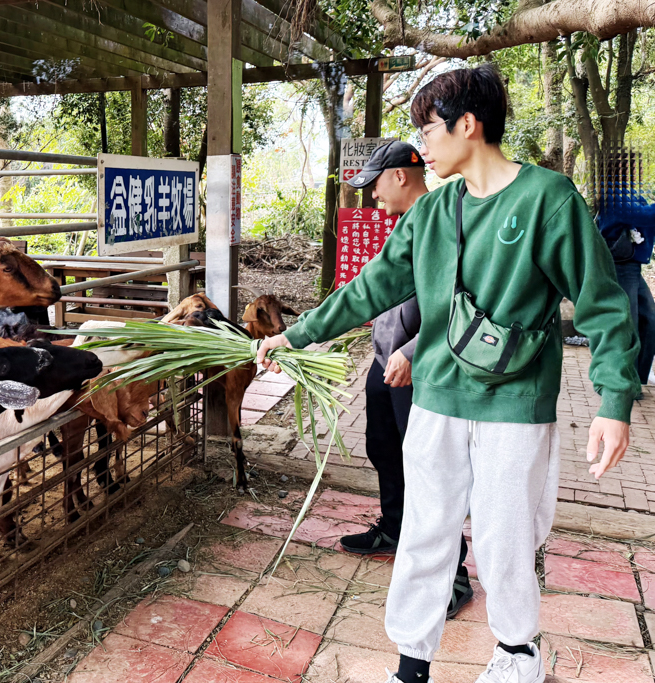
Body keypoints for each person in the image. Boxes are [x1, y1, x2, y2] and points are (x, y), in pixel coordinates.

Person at [257, 64, 639, 683]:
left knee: (505, 537)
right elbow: (371, 287)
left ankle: (516, 654)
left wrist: (614, 401)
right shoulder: (431, 214)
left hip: (515, 401)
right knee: (424, 530)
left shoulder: (547, 198)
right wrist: (294, 334)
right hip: (437, 398)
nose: (423, 145)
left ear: (469, 125)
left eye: (429, 129)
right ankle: (412, 662)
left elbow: (600, 303)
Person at [339, 141, 473, 620]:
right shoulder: (404, 226)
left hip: (422, 368)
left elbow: (464, 300)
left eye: (374, 183)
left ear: (399, 175)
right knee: (383, 447)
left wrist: (413, 351)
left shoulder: (448, 223)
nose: (371, 195)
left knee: (429, 470)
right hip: (384, 364)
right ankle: (395, 528)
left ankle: (453, 573)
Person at [594, 155, 655, 388]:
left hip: (632, 267)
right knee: (626, 326)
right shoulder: (613, 197)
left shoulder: (630, 195)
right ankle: (620, 382)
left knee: (649, 319)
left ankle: (637, 378)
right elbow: (646, 216)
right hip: (618, 267)